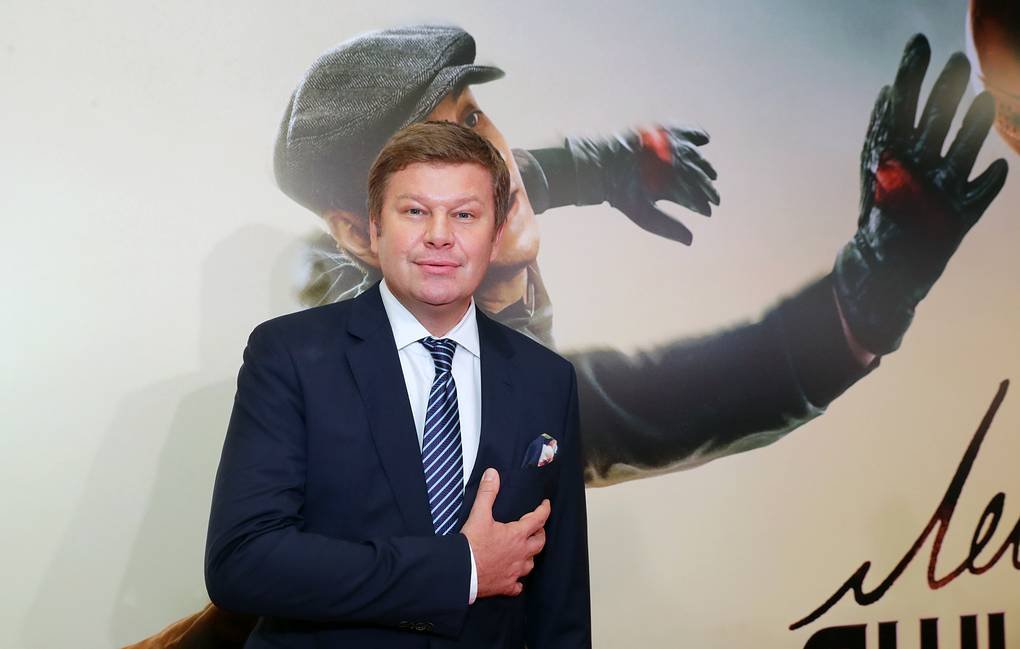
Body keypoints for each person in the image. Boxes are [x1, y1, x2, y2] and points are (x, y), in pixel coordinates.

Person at [125, 26, 1007, 649]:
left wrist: (597, 165)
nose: (480, 181)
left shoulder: (508, 342)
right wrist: (864, 292)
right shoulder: (312, 351)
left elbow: (558, 600)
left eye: (473, 120)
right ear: (361, 230)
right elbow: (661, 399)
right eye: (413, 195)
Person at [203, 120, 591, 648]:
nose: (440, 235)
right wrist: (460, 568)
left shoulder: (547, 378)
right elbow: (242, 562)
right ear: (373, 228)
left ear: (496, 232)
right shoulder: (289, 356)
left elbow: (561, 603)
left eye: (465, 214)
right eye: (414, 211)